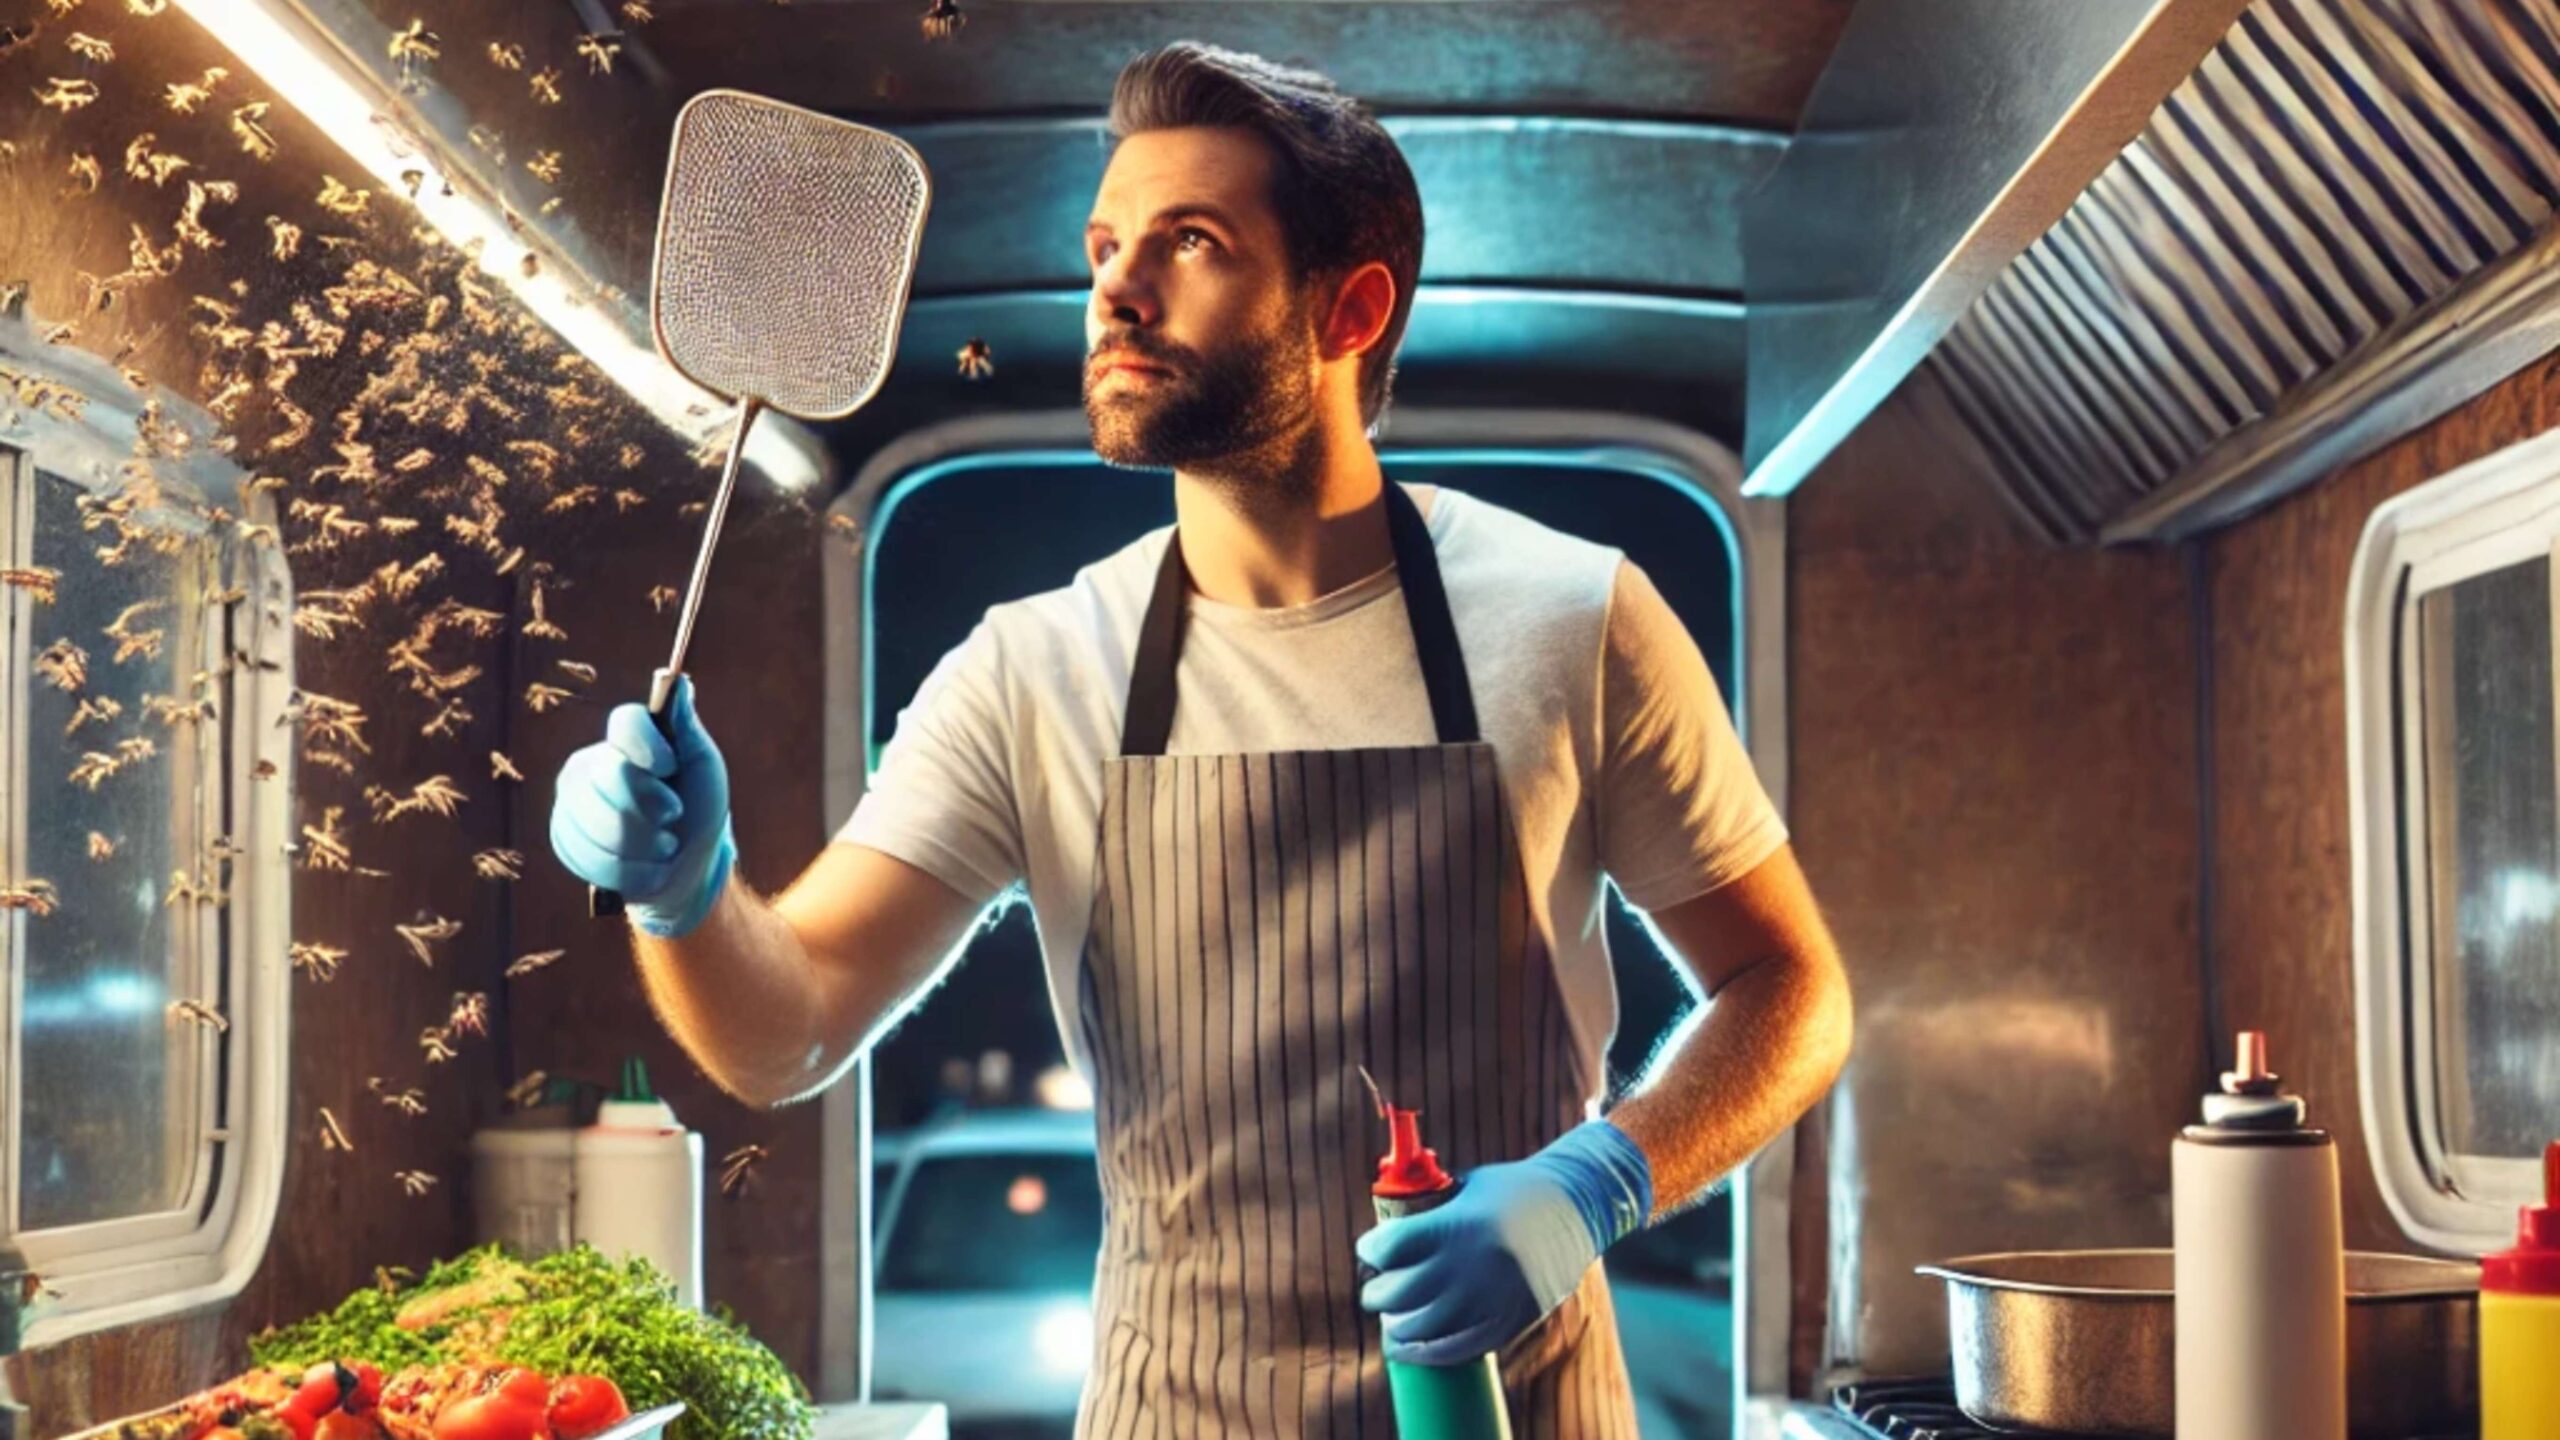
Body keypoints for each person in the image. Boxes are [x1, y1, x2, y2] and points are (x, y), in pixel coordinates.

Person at [551, 40, 1850, 1438]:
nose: (1116, 285)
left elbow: (1791, 988)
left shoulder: (1573, 619)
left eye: (1190, 241)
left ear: (1348, 309)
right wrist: (685, 898)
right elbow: (787, 1032)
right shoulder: (1032, 670)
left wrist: (1600, 1179)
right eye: (1106, 245)